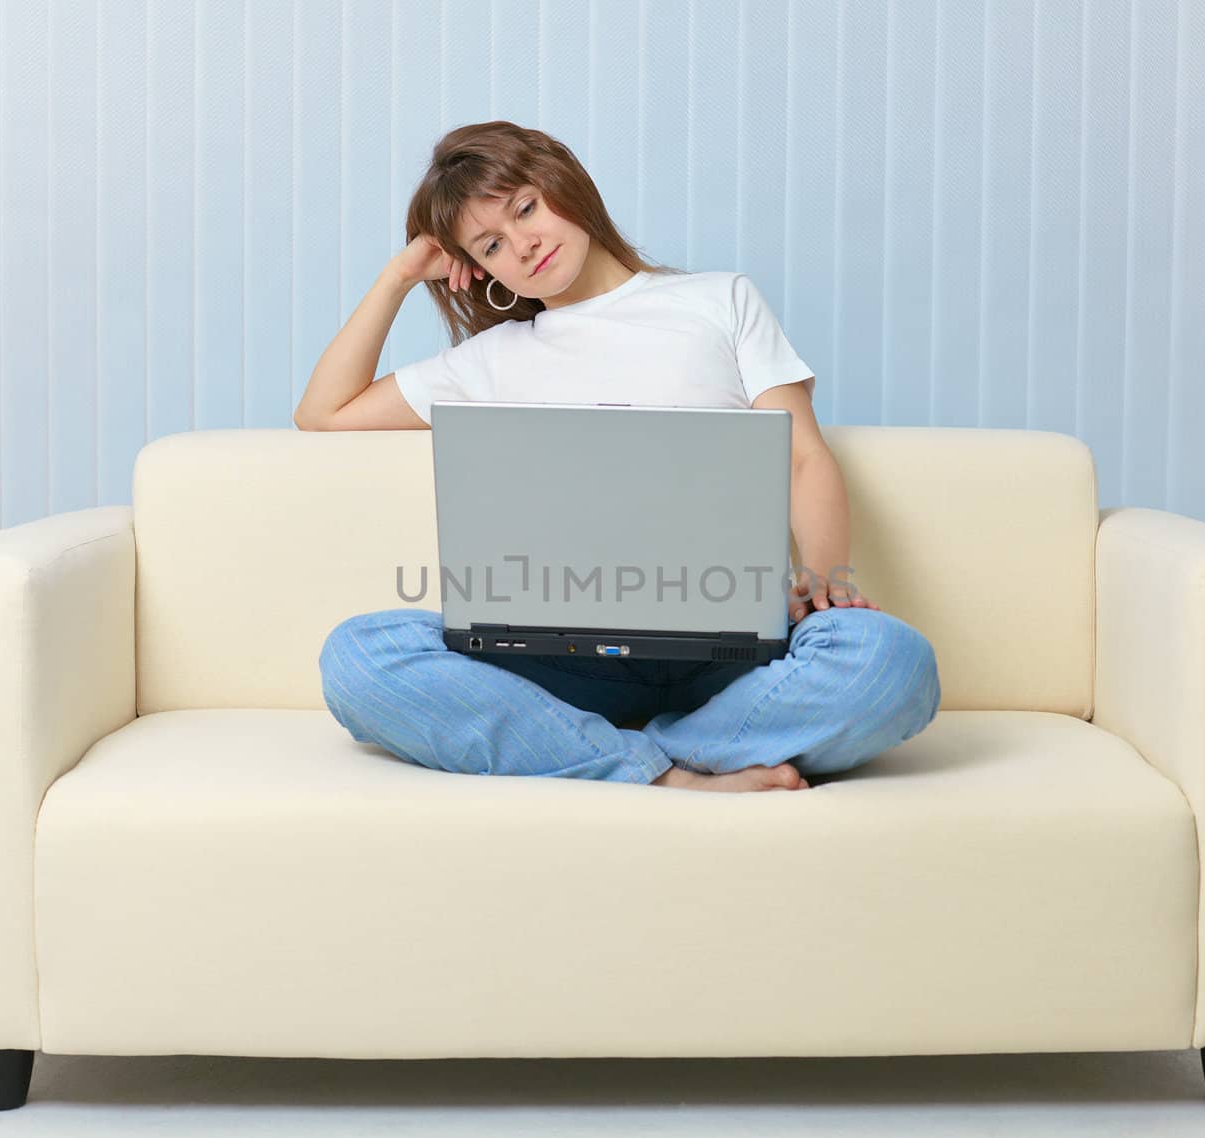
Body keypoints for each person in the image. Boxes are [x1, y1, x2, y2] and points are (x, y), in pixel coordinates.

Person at [297, 121, 941, 793]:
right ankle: (669, 774)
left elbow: (803, 457)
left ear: (562, 183)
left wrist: (821, 580)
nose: (524, 244)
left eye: (526, 209)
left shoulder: (718, 300)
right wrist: (399, 276)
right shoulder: (490, 360)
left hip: (732, 652)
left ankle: (621, 755)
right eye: (491, 244)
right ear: (479, 269)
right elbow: (325, 412)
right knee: (360, 658)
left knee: (888, 661)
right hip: (560, 659)